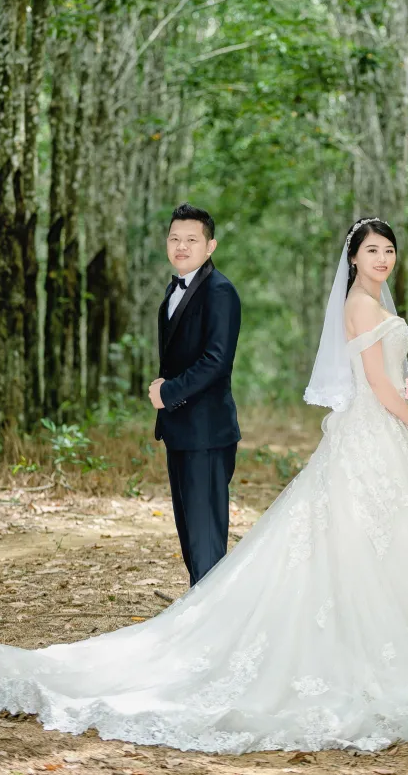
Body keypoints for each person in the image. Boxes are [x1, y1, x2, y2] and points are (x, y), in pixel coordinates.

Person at [0, 217, 408, 755]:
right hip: (373, 431)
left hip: (385, 437)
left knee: (401, 543)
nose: (382, 259)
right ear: (353, 259)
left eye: (388, 251)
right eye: (372, 251)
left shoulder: (377, 303)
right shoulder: (360, 304)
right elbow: (378, 385)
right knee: (354, 542)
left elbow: (393, 377)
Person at [148, 202, 242, 586]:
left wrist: (168, 392)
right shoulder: (173, 290)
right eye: (175, 239)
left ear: (210, 246)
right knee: (190, 539)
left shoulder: (220, 292)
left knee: (206, 542)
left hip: (207, 432)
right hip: (180, 430)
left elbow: (216, 361)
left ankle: (213, 617)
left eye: (192, 239)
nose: (181, 246)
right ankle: (202, 609)